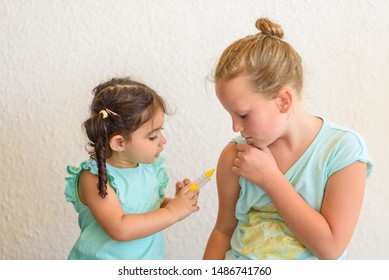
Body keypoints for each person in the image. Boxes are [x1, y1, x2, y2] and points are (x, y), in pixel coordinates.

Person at [203, 18, 374, 260]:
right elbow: (223, 231)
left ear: (283, 101)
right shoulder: (236, 156)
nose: (235, 127)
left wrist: (270, 178)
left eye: (243, 114)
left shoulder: (342, 150)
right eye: (230, 114)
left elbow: (331, 248)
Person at [65, 77, 199, 260]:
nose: (163, 140)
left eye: (161, 131)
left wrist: (176, 203)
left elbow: (148, 211)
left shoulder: (149, 169)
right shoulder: (94, 178)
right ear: (119, 143)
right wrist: (172, 212)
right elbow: (120, 228)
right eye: (152, 136)